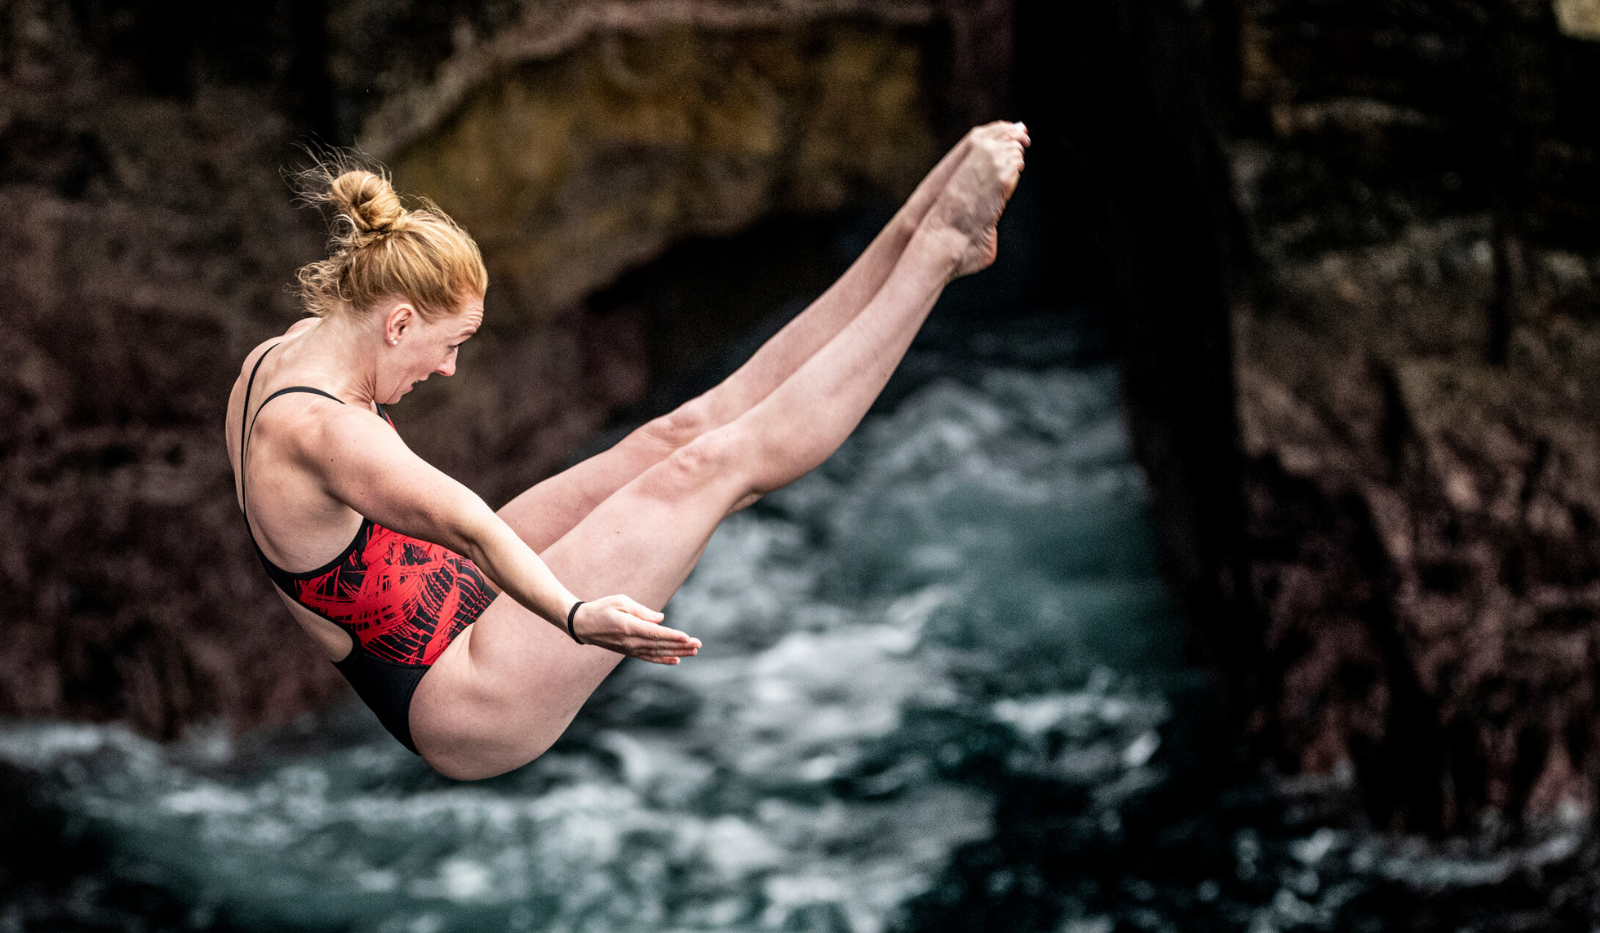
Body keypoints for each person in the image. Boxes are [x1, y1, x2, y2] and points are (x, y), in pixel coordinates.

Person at [225, 122, 1028, 780]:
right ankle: (936, 260)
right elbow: (468, 523)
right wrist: (576, 614)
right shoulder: (324, 431)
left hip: (451, 596)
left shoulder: (285, 353)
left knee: (675, 435)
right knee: (710, 468)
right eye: (448, 345)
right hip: (463, 693)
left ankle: (918, 230)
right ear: (397, 321)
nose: (448, 368)